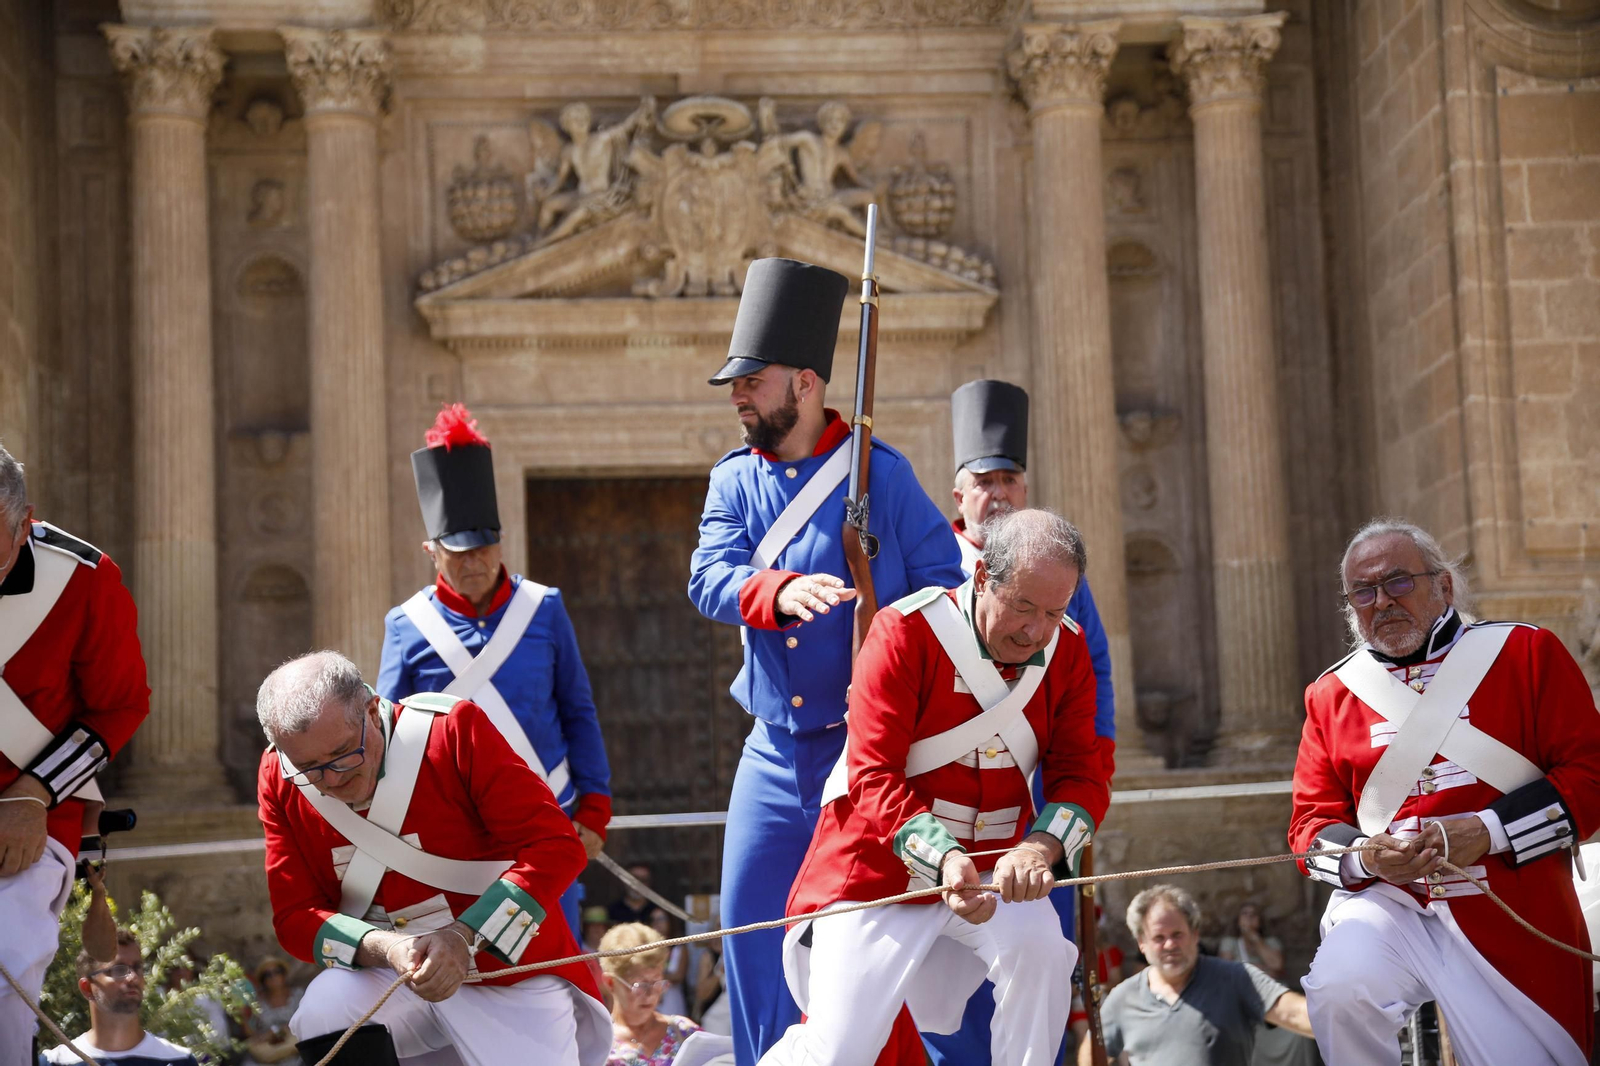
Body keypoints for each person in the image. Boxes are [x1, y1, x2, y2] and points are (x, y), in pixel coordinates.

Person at [688, 256, 964, 1063]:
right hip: (772, 753)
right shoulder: (734, 482)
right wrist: (774, 592)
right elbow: (709, 578)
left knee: (879, 951)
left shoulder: (885, 474)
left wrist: (883, 610)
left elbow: (945, 588)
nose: (737, 395)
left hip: (869, 760)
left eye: (752, 380)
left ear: (803, 383)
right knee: (747, 929)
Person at [761, 509, 1110, 1066]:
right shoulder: (904, 631)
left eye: (1054, 612)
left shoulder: (1067, 649)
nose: (1035, 631)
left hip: (997, 868)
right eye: (1022, 606)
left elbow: (1083, 774)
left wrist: (1039, 848)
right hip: (878, 871)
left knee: (1042, 951)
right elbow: (871, 772)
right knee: (840, 1050)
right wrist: (944, 858)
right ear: (981, 579)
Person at [1291, 518, 1600, 1066]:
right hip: (1390, 904)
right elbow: (1309, 827)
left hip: (1512, 902)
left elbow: (1591, 775)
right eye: (1364, 592)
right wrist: (1368, 858)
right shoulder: (1330, 694)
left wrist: (1488, 832)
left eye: (1398, 582)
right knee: (1339, 989)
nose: (1381, 601)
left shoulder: (1527, 654)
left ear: (1444, 586)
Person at [255, 651, 610, 1065]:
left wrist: (464, 936)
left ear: (372, 711)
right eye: (310, 768)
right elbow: (296, 915)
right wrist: (384, 947)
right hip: (391, 974)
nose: (332, 779)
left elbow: (555, 848)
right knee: (325, 1009)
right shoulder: (278, 776)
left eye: (343, 753)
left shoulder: (452, 730)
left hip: (507, 973)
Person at [926, 379, 1118, 1066]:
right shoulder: (927, 563)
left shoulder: (1062, 574)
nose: (999, 493)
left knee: (1035, 976)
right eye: (985, 481)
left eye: (1010, 478)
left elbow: (1091, 685)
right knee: (940, 1009)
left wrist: (1073, 806)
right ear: (960, 494)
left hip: (1027, 814)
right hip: (933, 822)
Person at [379, 404, 612, 938]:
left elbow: (577, 711)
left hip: (546, 822)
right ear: (431, 552)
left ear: (500, 541)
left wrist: (595, 809)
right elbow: (391, 738)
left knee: (553, 967)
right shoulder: (406, 625)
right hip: (450, 833)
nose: (473, 562)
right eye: (457, 553)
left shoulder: (543, 608)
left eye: (482, 547)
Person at [0, 442, 151, 1063]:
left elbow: (120, 706)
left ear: (24, 521)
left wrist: (33, 795)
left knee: (5, 961)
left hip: (39, 812)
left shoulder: (84, 578)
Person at [1088, 885, 1313, 1066]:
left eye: (1177, 934)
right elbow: (1092, 1052)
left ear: (1195, 935)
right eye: (1159, 937)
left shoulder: (1236, 978)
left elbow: (1295, 1014)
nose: (1170, 945)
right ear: (1142, 944)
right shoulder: (1124, 997)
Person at [41, 929, 198, 1065]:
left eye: (137, 968)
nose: (133, 977)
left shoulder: (179, 1060)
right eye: (119, 970)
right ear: (87, 988)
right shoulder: (56, 1062)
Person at [601, 923, 702, 1066]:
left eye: (657, 983)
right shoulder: (596, 1044)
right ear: (610, 982)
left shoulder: (685, 1032)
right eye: (640, 986)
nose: (650, 995)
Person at [243, 957, 302, 1066]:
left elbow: (306, 1021)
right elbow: (252, 1035)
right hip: (269, 1054)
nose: (273, 977)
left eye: (276, 972)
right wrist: (242, 1013)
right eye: (267, 975)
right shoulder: (257, 1003)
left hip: (296, 1051)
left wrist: (277, 1031)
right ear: (263, 981)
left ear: (284, 974)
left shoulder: (298, 995)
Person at [648, 910, 690, 1018]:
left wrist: (654, 975)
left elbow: (679, 976)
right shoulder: (647, 949)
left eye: (661, 919)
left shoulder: (679, 948)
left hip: (672, 998)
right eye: (653, 920)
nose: (656, 923)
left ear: (670, 922)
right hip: (651, 997)